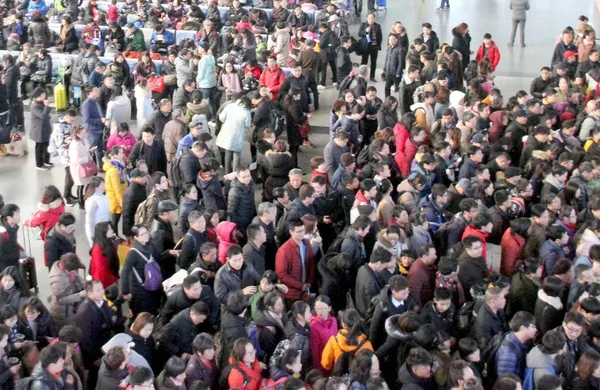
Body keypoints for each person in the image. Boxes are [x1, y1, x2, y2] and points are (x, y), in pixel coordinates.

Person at [75, 280, 115, 389]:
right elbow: (85, 339)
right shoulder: (85, 311)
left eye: (102, 288)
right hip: (95, 356)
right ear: (89, 294)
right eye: (98, 290)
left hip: (103, 348)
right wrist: (94, 359)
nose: (102, 292)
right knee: (95, 378)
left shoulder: (100, 303)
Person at [121, 225, 162, 317]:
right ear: (136, 237)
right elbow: (124, 273)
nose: (146, 235)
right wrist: (125, 292)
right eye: (143, 234)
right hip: (140, 290)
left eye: (147, 232)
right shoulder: (133, 253)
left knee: (153, 309)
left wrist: (169, 252)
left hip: (152, 284)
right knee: (143, 314)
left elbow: (159, 257)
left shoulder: (150, 245)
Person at [321, 309, 373, 373]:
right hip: (360, 380)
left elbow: (325, 364)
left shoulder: (334, 340)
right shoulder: (366, 344)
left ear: (344, 324)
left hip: (340, 380)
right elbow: (371, 366)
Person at [276, 218, 315, 303]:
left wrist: (309, 282)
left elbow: (311, 263)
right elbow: (282, 274)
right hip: (292, 294)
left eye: (303, 230)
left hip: (306, 289)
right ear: (291, 232)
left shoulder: (307, 243)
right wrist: (301, 286)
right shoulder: (284, 250)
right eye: (298, 232)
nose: (302, 234)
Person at [217, 95, 252, 174]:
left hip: (227, 131)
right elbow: (247, 124)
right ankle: (235, 173)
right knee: (236, 154)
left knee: (228, 152)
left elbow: (221, 117)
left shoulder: (230, 106)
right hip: (238, 133)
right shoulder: (246, 111)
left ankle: (227, 172)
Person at [30, 87, 52, 171]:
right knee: (39, 147)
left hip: (45, 128)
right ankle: (39, 164)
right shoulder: (34, 106)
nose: (45, 95)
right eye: (43, 94)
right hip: (38, 130)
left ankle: (46, 161)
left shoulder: (41, 103)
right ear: (38, 96)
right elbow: (42, 115)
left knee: (46, 145)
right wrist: (46, 106)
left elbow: (45, 115)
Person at [84, 177, 110, 246]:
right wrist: (92, 233)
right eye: (102, 184)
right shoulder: (92, 200)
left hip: (104, 227)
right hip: (96, 230)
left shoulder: (103, 196)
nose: (105, 186)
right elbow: (90, 219)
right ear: (96, 187)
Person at [358, 13, 383, 82]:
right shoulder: (363, 25)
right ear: (367, 18)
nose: (371, 20)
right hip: (366, 47)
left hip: (374, 47)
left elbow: (380, 37)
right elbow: (359, 34)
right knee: (364, 61)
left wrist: (378, 45)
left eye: (372, 18)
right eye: (369, 18)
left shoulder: (377, 26)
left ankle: (372, 76)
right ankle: (361, 75)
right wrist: (365, 31)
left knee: (373, 62)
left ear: (374, 19)